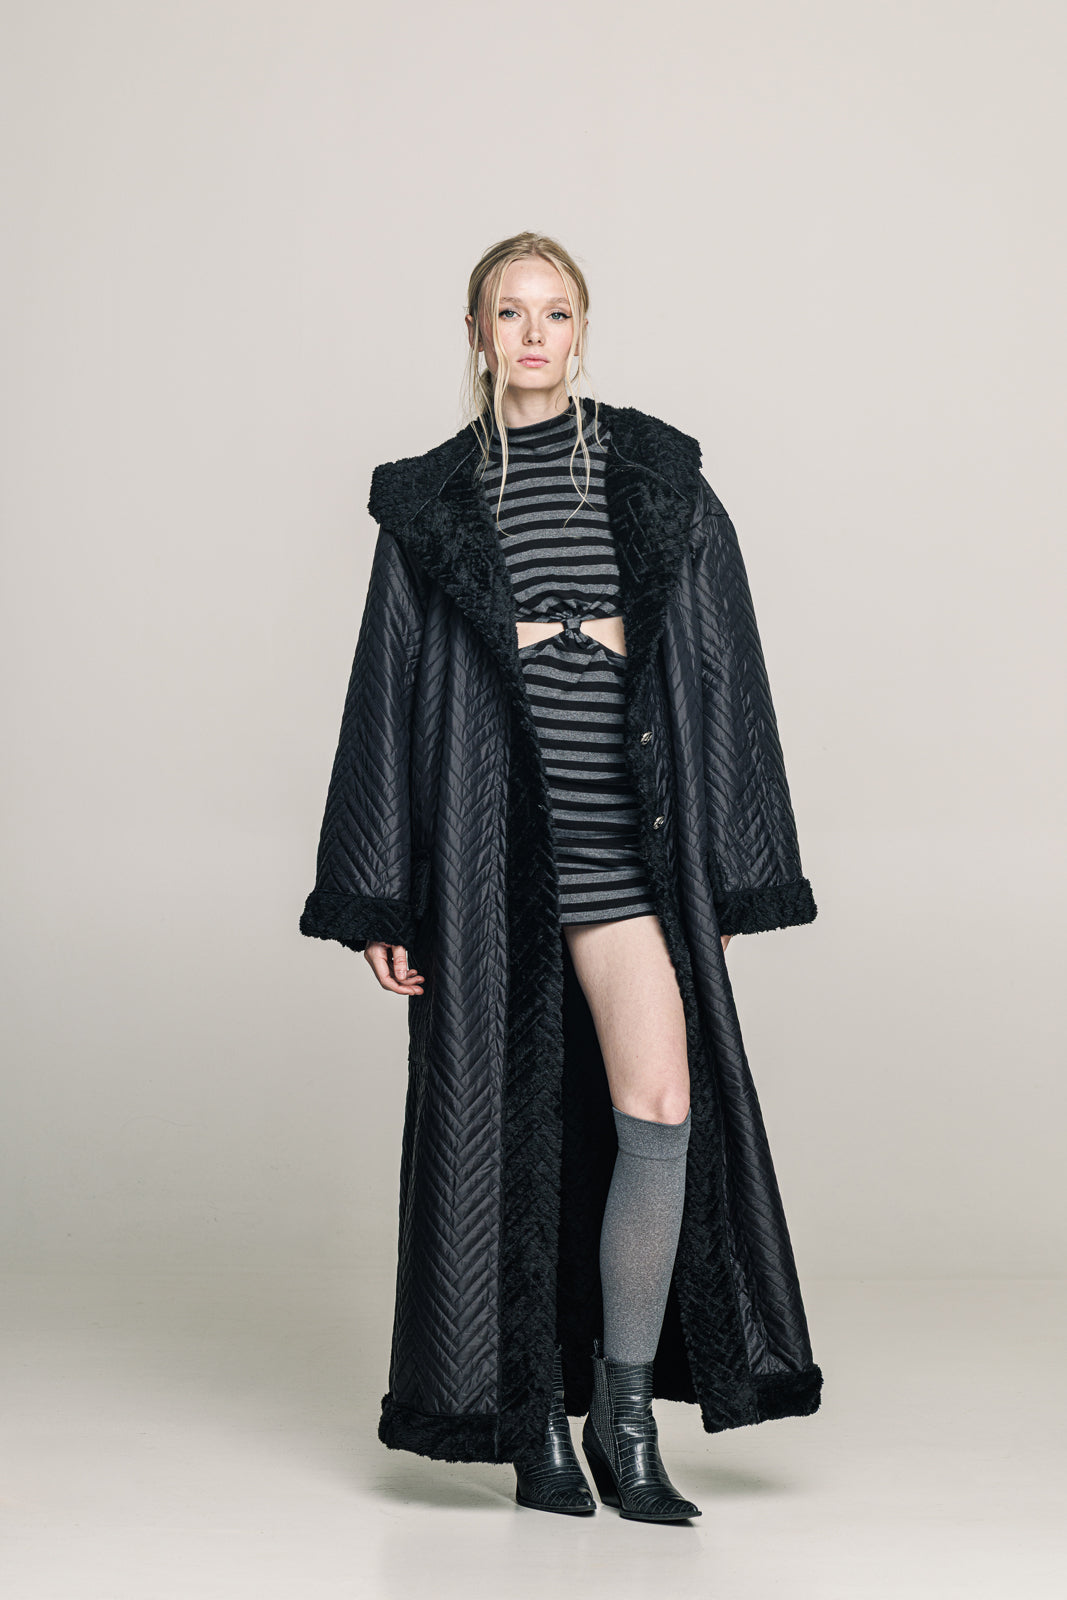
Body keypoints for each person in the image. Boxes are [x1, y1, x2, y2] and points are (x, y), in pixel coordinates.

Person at [299, 232, 822, 1524]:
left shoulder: (653, 480)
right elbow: (385, 695)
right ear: (478, 334)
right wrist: (380, 895)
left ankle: (624, 1420)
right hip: (492, 866)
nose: (534, 336)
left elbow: (723, 662)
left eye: (557, 313)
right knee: (503, 1136)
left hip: (626, 858)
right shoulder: (432, 503)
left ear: (583, 330)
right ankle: (531, 1414)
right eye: (510, 313)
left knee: (661, 1110)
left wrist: (731, 871)